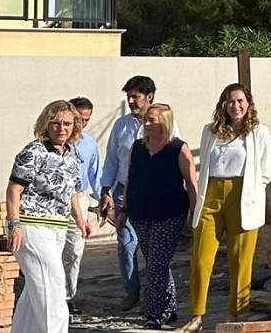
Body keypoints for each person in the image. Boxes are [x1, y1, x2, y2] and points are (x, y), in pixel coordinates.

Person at [186, 84, 271, 332]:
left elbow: (266, 171)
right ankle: (196, 316)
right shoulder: (210, 131)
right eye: (231, 101)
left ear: (248, 104)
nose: (235, 106)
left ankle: (235, 315)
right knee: (201, 259)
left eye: (240, 101)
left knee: (240, 259)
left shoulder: (259, 133)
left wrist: (254, 193)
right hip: (212, 195)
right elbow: (205, 165)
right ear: (223, 105)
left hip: (242, 196)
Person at [7, 99, 92, 333]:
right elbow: (14, 188)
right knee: (52, 292)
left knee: (34, 294)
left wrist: (80, 221)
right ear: (46, 124)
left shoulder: (71, 153)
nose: (61, 128)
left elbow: (72, 191)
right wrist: (14, 225)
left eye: (67, 124)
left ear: (75, 126)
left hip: (58, 229)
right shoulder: (34, 151)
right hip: (33, 227)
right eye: (55, 123)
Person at [98, 75, 182, 311]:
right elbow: (112, 159)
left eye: (135, 96)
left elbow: (176, 157)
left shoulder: (167, 123)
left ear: (149, 97)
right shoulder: (121, 125)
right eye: (128, 96)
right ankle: (131, 291)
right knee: (126, 244)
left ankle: (156, 294)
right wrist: (105, 191)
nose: (131, 101)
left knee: (155, 249)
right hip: (125, 191)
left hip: (156, 195)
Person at [115, 104, 198, 330]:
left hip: (169, 214)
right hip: (140, 214)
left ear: (165, 122)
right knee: (154, 261)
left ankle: (154, 312)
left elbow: (191, 184)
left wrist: (195, 214)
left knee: (157, 264)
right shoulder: (138, 147)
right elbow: (131, 179)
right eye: (146, 119)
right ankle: (169, 306)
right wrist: (124, 210)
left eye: (152, 119)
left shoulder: (178, 149)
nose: (147, 123)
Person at [63, 96, 100, 312]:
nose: (82, 124)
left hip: (80, 197)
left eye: (86, 120)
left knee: (74, 251)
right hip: (55, 200)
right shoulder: (55, 141)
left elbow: (95, 174)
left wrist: (104, 198)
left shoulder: (90, 143)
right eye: (79, 119)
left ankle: (68, 296)